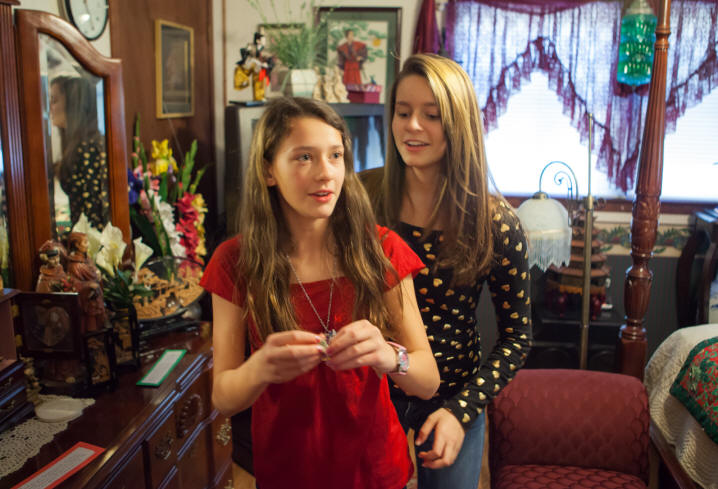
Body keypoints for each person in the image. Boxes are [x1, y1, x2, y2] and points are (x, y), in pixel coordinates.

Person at [200, 97, 439, 489]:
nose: (326, 173)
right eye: (304, 157)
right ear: (269, 170)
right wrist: (259, 368)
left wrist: (387, 355)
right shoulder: (234, 262)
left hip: (375, 471)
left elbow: (428, 380)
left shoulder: (383, 250)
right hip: (287, 473)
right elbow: (224, 397)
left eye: (335, 156)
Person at [360, 53, 533, 489]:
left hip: (454, 396)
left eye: (432, 115)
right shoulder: (363, 197)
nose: (412, 126)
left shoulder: (497, 224)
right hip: (371, 392)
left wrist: (462, 411)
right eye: (403, 112)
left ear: (459, 124)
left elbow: (517, 338)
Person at [50, 75, 109, 230]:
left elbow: (93, 214)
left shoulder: (87, 147)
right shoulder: (77, 144)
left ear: (72, 104)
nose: (50, 107)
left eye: (54, 100)